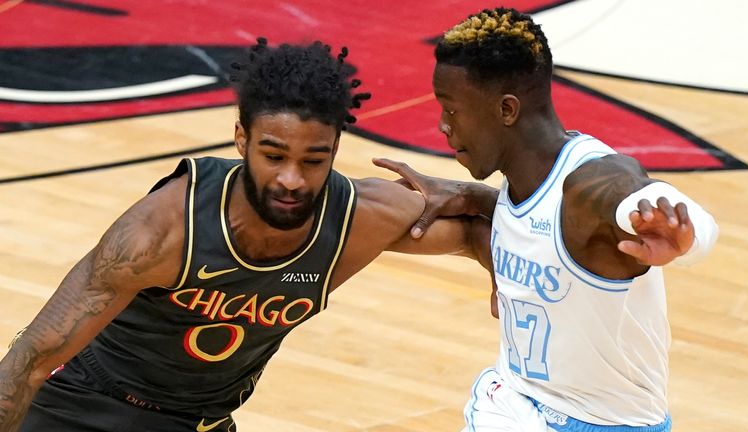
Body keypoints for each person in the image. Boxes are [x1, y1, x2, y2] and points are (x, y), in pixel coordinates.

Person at [0, 39, 492, 432]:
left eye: (313, 160)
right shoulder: (160, 230)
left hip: (200, 421)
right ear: (242, 140)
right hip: (85, 407)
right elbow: (28, 363)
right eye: (273, 156)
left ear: (336, 147)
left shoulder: (360, 216)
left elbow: (477, 233)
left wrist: (478, 208)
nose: (292, 180)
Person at [375, 7, 719, 432]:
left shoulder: (588, 183)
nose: (443, 126)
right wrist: (472, 196)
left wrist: (688, 236)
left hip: (610, 423)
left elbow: (635, 191)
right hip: (516, 402)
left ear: (506, 110)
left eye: (451, 110)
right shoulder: (516, 188)